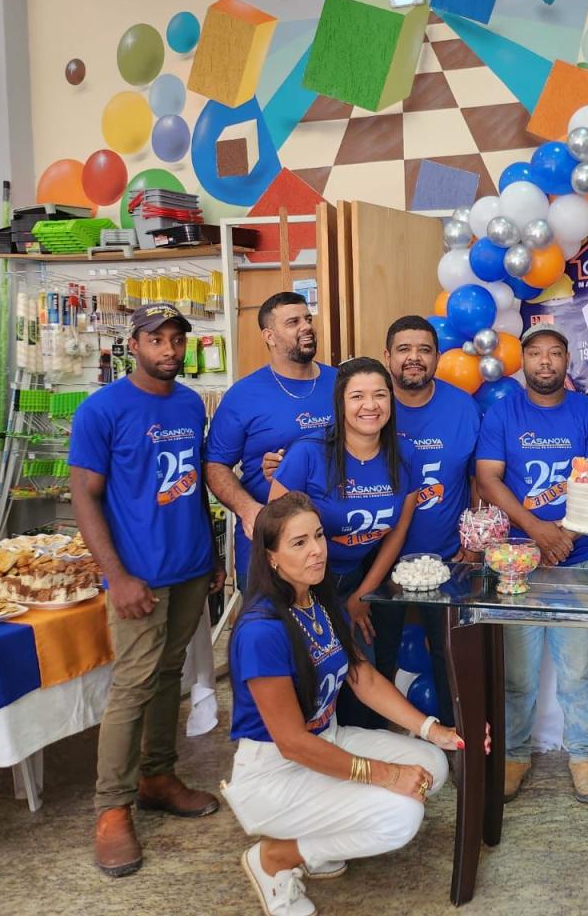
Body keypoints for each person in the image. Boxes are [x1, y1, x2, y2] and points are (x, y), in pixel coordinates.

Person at [222, 492, 469, 916]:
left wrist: (433, 730)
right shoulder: (262, 630)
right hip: (276, 771)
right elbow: (293, 744)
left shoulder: (316, 598)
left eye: (318, 536)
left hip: (328, 739)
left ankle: (315, 841)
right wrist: (387, 774)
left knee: (432, 764)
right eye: (299, 543)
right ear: (271, 557)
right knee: (401, 815)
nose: (317, 550)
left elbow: (362, 677)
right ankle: (276, 858)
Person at [69, 303, 225, 877]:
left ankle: (157, 776)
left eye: (177, 339)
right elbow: (84, 495)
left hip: (190, 567)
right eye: (156, 339)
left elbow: (192, 484)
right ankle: (111, 808)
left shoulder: (188, 403)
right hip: (139, 574)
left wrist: (211, 555)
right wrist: (116, 575)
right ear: (132, 344)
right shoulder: (101, 410)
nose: (168, 349)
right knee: (133, 684)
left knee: (169, 673)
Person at [476, 324, 588, 805]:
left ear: (568, 361)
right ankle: (514, 755)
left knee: (577, 670)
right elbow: (488, 478)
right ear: (523, 362)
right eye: (536, 353)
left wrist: (563, 535)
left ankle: (582, 757)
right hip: (515, 563)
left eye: (555, 353)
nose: (545, 361)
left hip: (579, 557)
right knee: (518, 673)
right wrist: (537, 531)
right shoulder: (503, 413)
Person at [269, 357, 418, 729]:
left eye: (379, 395)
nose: (370, 405)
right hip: (300, 588)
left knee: (361, 687)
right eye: (357, 396)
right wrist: (304, 604)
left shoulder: (405, 454)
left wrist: (362, 595)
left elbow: (398, 530)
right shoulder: (308, 453)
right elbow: (273, 532)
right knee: (307, 689)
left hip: (355, 582)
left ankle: (360, 757)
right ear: (340, 402)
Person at [380, 314, 481, 725]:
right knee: (376, 655)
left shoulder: (462, 406)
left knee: (451, 658)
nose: (414, 358)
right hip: (377, 562)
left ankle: (457, 742)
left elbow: (478, 481)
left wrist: (473, 543)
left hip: (448, 561)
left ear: (438, 356)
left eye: (424, 349)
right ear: (387, 356)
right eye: (404, 349)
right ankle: (370, 740)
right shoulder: (371, 405)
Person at [206, 292, 336, 592]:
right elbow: (215, 465)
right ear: (269, 336)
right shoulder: (243, 395)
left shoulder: (341, 383)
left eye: (308, 319)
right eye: (293, 322)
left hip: (331, 542)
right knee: (268, 619)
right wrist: (248, 509)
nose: (306, 326)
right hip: (269, 544)